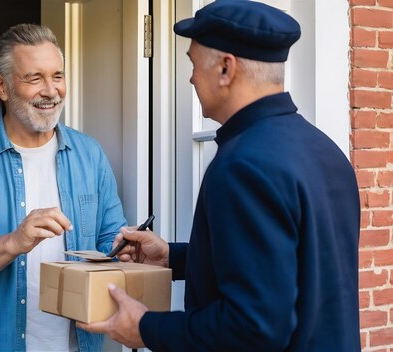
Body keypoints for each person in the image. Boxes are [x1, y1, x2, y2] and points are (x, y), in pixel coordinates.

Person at [78, 1, 361, 351]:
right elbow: (289, 267)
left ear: (226, 68)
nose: (192, 77)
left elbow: (253, 327)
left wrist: (146, 327)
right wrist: (174, 257)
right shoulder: (325, 150)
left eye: (194, 64)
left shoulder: (243, 164)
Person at [0, 24, 126, 351]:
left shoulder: (90, 154)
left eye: (57, 76)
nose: (51, 90)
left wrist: (124, 250)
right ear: (1, 87)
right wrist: (13, 242)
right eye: (35, 78)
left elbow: (110, 239)